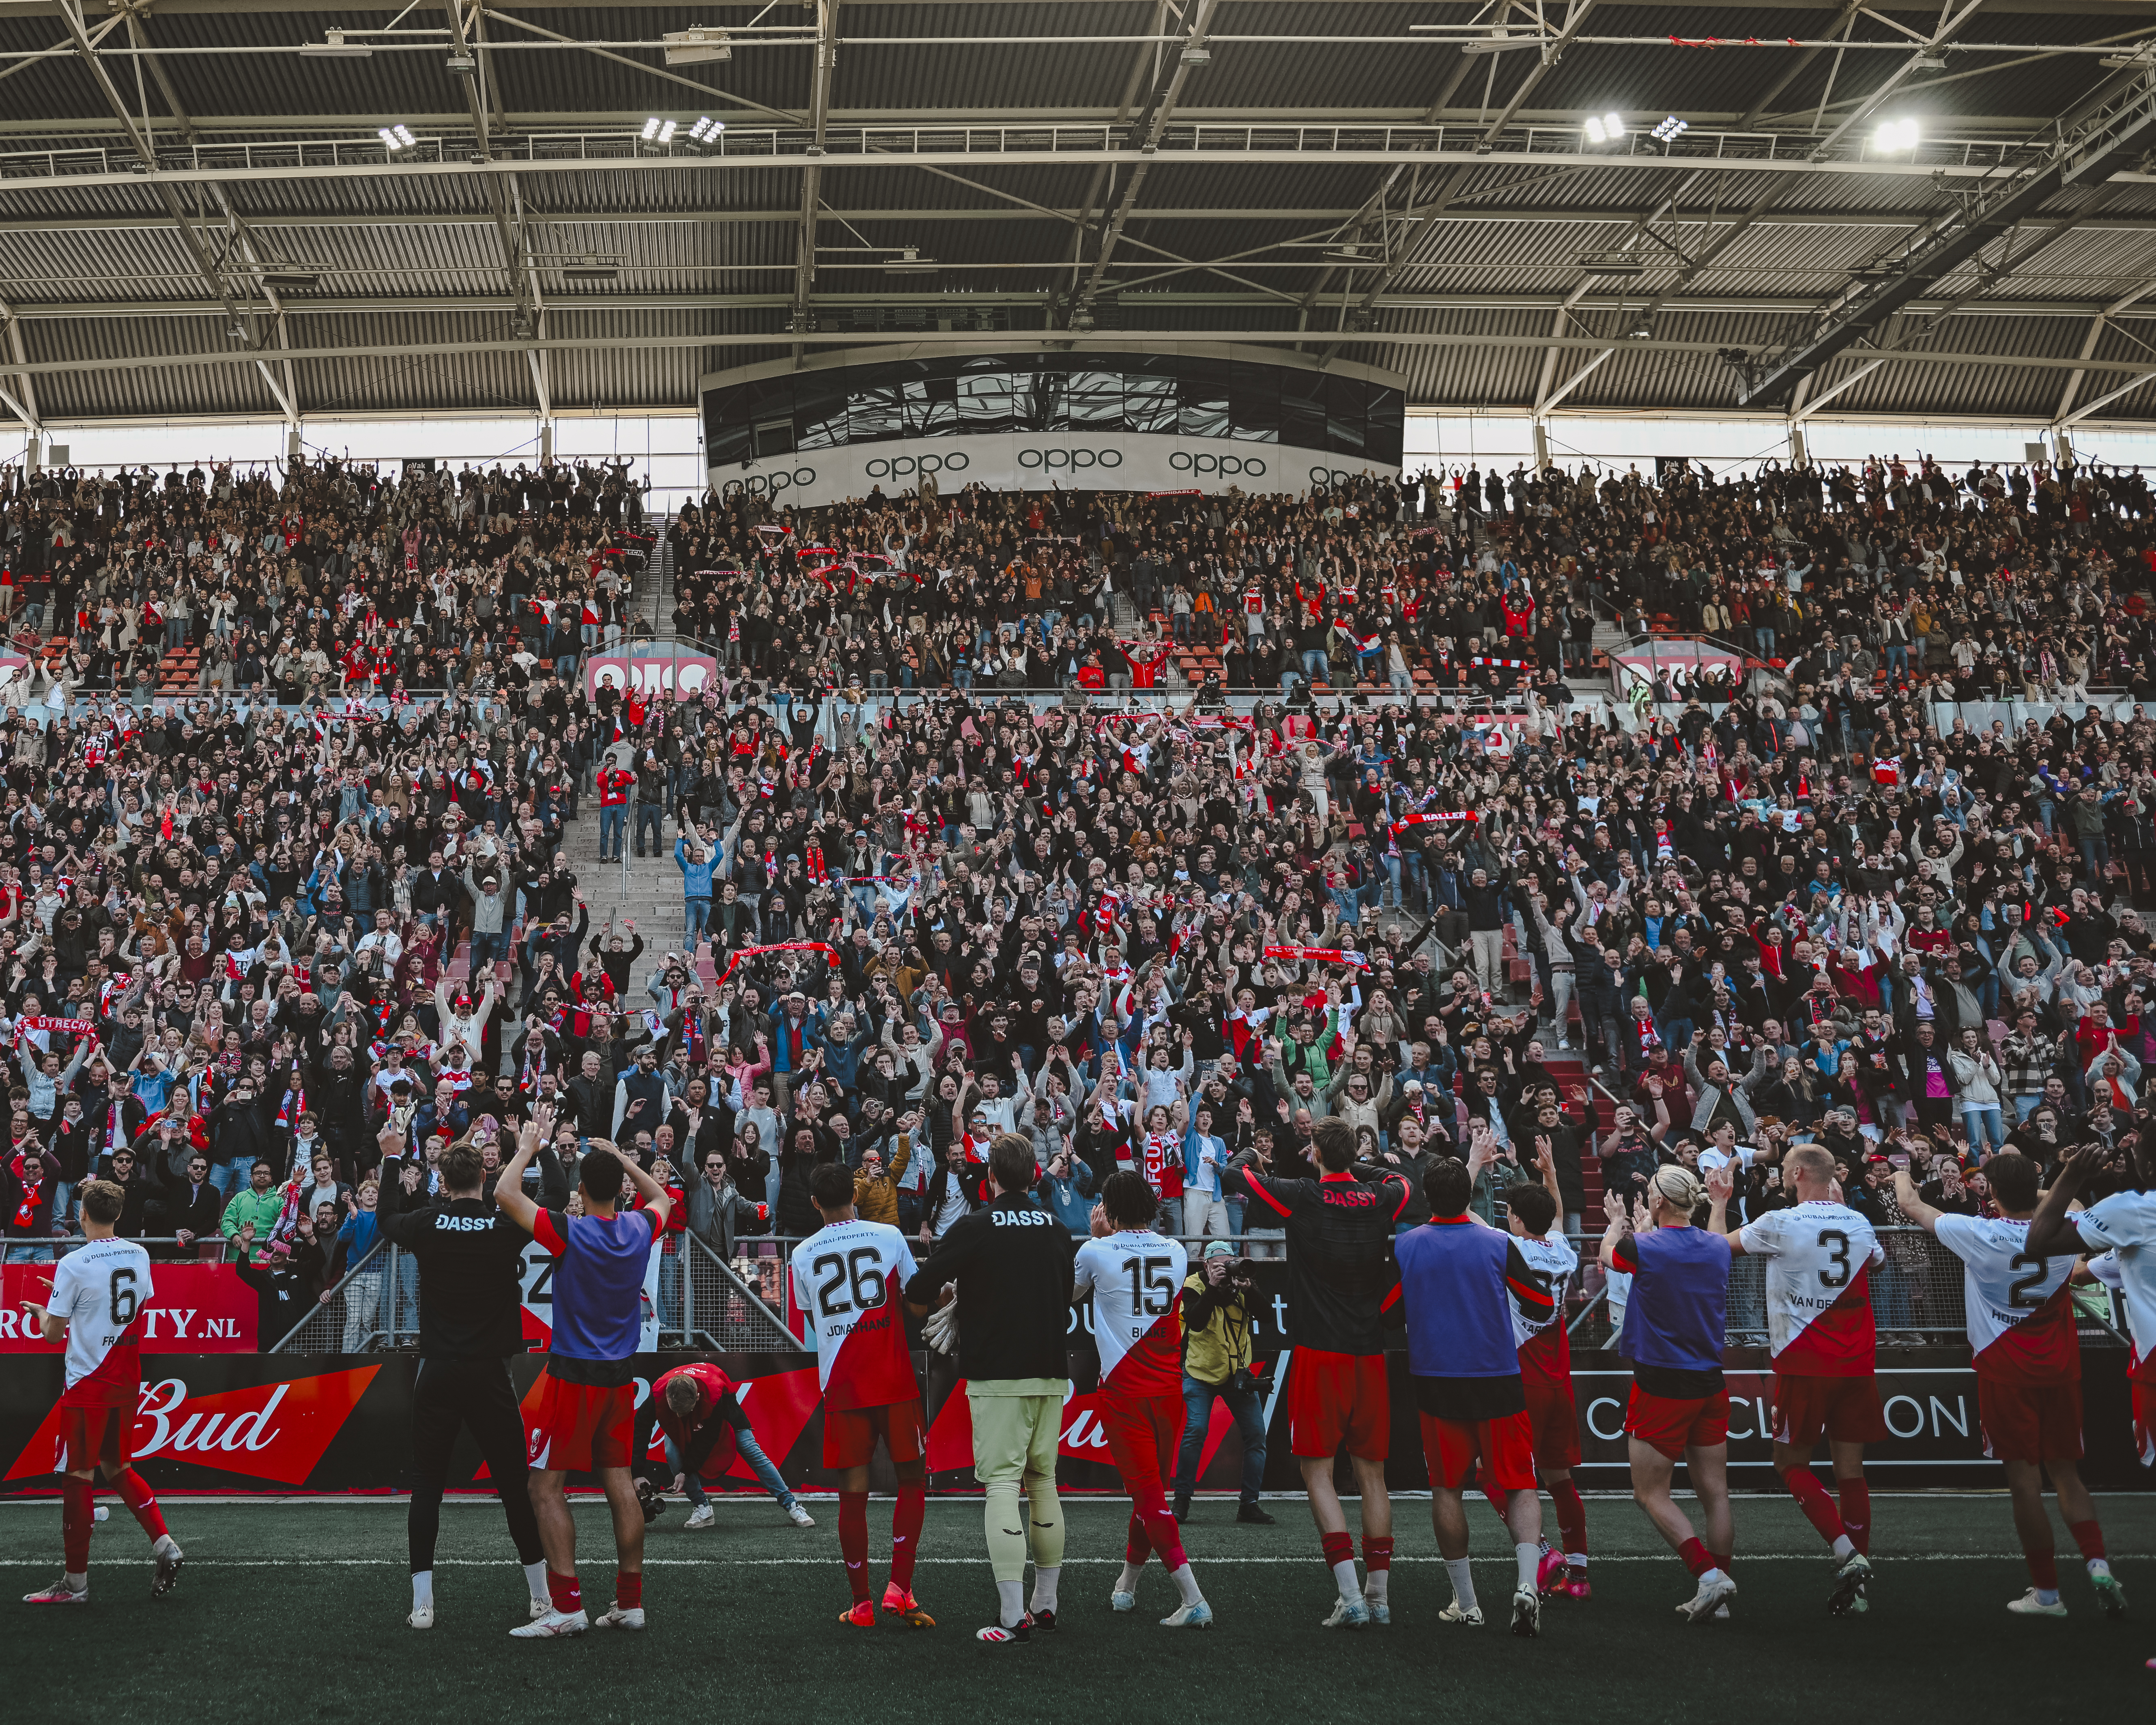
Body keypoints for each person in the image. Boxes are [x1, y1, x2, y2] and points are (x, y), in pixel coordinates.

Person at [1900, 1150, 2126, 1617]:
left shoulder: (1976, 1231)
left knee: (2024, 1483)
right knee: (2066, 1473)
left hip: (2003, 1370)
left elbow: (1912, 1206)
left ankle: (2046, 1595)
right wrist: (2047, 1185)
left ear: (1992, 1192)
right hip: (2060, 1367)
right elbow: (2072, 1202)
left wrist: (1901, 1174)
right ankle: (2098, 1565)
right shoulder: (2068, 1230)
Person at [1222, 1113, 1411, 1629]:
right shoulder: (1379, 1196)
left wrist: (1252, 1153)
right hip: (1370, 1352)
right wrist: (1357, 1164)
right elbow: (1402, 1180)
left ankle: (1349, 1595)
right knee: (1372, 1473)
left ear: (1317, 1153)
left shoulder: (1303, 1195)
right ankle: (1379, 1597)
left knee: (1317, 1471)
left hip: (1318, 1353)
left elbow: (1232, 1175)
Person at [493, 1128, 673, 1637]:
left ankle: (568, 1607)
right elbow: (661, 1197)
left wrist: (528, 1146)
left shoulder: (570, 1230)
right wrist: (621, 1158)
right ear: (620, 1189)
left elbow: (505, 1193)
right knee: (619, 1482)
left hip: (572, 1373)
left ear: (580, 1189)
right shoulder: (640, 1227)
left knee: (544, 1487)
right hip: (620, 1375)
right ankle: (629, 1603)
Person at [373, 1117, 550, 1630]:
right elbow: (554, 1198)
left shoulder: (428, 1221)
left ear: (443, 1183)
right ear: (485, 1179)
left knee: (427, 1486)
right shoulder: (503, 1224)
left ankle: (422, 1605)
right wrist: (533, 1151)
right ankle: (540, 1597)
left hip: (439, 1371)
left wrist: (390, 1156)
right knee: (515, 1488)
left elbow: (385, 1217)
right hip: (490, 1374)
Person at [905, 1131, 1078, 1645]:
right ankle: (1045, 1605)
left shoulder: (976, 1224)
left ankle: (1011, 1615)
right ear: (1033, 1176)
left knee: (1003, 1485)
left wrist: (957, 1293)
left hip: (997, 1372)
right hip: (1052, 1370)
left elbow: (918, 1287)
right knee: (1043, 1481)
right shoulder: (1056, 1227)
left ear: (990, 1179)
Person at [1722, 1142, 1885, 1615]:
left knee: (1789, 1463)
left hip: (1803, 1361)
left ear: (1795, 1173)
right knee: (1849, 1471)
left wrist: (1717, 1204)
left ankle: (1845, 1553)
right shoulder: (1857, 1220)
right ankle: (1857, 1591)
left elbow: (1723, 1247)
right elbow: (1875, 1262)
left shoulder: (1780, 1221)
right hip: (1855, 1361)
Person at [1395, 1153, 1554, 1637]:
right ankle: (1526, 1584)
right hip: (1497, 1375)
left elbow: (1384, 1310)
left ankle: (1466, 1603)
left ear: (1426, 1197)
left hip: (1436, 1378)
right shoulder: (1497, 1241)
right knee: (1520, 1483)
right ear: (1470, 1196)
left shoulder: (1407, 1245)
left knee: (1446, 1486)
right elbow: (1542, 1303)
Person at [19, 1179, 185, 1606]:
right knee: (118, 1466)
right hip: (127, 1375)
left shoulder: (73, 1263)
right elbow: (134, 1303)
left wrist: (44, 1313)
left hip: (89, 1381)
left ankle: (76, 1585)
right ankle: (164, 1543)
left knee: (78, 1477)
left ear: (83, 1215)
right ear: (119, 1213)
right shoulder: (139, 1252)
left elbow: (53, 1335)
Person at [790, 1159, 932, 1630]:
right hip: (892, 1378)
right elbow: (916, 1303)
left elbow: (813, 1321)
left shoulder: (803, 1253)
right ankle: (901, 1589)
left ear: (815, 1203)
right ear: (854, 1193)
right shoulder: (889, 1236)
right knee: (911, 1482)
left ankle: (863, 1603)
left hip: (843, 1383)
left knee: (852, 1496)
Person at [1075, 1168, 1211, 1628]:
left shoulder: (1095, 1249)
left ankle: (1193, 1598)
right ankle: (1126, 1586)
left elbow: (1068, 1293)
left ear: (1109, 1211)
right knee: (1149, 1493)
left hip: (1124, 1391)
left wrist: (1097, 1236)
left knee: (1149, 1496)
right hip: (1168, 1389)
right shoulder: (1174, 1250)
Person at [1603, 1163, 1737, 1623]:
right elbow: (1714, 1237)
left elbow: (1609, 1256)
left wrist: (1618, 1222)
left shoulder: (1642, 1246)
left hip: (1661, 1382)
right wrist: (1718, 1203)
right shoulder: (1716, 1246)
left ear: (1658, 1202)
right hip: (1709, 1379)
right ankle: (1716, 1593)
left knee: (1649, 1493)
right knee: (1715, 1493)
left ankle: (1707, 1577)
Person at [2029, 1132, 2156, 1509]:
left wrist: (2069, 1176)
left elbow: (2038, 1241)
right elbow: (2091, 1271)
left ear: (2146, 1166)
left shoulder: (2133, 1211)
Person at [1490, 1149, 1589, 1600]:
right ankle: (1579, 1576)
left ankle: (1545, 1552)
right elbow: (1556, 1216)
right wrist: (1550, 1173)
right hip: (1558, 1378)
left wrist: (1469, 1167)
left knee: (1491, 1475)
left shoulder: (1511, 1247)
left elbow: (1464, 1218)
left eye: (1509, 1213)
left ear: (1513, 1220)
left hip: (1522, 1377)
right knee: (1558, 1475)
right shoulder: (1562, 1249)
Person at [634, 1360, 815, 1531]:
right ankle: (702, 1508)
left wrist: (685, 1472)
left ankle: (791, 1504)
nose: (681, 1417)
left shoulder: (715, 1394)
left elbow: (707, 1440)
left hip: (721, 1406)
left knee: (751, 1449)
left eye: (685, 1412)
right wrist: (637, 1474)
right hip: (688, 1406)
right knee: (671, 1452)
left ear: (697, 1397)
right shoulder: (658, 1394)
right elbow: (640, 1431)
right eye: (677, 1412)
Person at [1171, 1241, 1272, 1526]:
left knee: (1256, 1436)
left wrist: (1248, 1288)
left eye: (1228, 1264)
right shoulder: (1193, 1285)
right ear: (1205, 1266)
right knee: (1196, 1430)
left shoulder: (1241, 1284)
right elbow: (1196, 1321)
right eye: (1218, 1266)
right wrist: (1214, 1287)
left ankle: (1249, 1505)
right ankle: (1181, 1502)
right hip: (1199, 1372)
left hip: (1237, 1374)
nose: (1225, 1270)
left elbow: (1265, 1316)